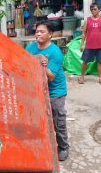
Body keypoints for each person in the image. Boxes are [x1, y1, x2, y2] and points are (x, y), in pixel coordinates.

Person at [26, 21, 69, 161]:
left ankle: (63, 147)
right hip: (36, 89)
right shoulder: (30, 47)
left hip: (55, 91)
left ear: (50, 34)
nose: (38, 33)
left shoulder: (55, 52)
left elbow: (50, 77)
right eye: (37, 31)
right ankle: (44, 146)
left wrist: (41, 65)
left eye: (42, 31)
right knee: (39, 120)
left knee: (58, 121)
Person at [79, 3, 101, 85]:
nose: (93, 11)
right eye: (91, 9)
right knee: (85, 61)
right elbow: (84, 33)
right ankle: (81, 76)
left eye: (95, 9)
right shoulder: (87, 20)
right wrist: (81, 44)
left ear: (99, 10)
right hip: (89, 45)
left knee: (100, 62)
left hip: (100, 45)